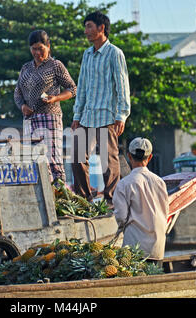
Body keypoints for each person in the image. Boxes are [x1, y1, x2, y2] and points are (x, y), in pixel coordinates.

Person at [71, 11, 131, 207]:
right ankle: (84, 199)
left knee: (108, 160)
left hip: (107, 116)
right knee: (77, 157)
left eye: (89, 26)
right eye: (86, 27)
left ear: (101, 28)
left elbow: (122, 86)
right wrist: (77, 115)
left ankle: (111, 199)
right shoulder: (87, 54)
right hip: (87, 115)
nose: (86, 31)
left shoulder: (115, 53)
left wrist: (122, 115)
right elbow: (82, 87)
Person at [14, 30, 77, 182]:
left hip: (50, 117)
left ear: (48, 46)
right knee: (33, 159)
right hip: (30, 119)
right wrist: (22, 107)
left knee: (52, 159)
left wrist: (56, 98)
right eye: (34, 49)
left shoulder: (56, 65)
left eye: (40, 48)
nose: (37, 52)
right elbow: (17, 93)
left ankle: (59, 196)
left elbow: (72, 89)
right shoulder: (26, 68)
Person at [113, 137, 169, 264]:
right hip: (157, 248)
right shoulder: (160, 182)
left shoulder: (124, 184)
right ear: (149, 158)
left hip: (135, 248)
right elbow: (166, 212)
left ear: (129, 156)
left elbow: (121, 217)